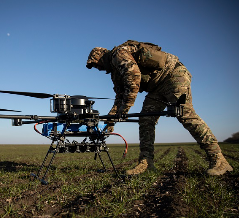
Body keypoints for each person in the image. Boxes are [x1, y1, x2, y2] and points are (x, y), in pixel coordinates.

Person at [86, 40, 233, 176]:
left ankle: (219, 160)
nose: (97, 68)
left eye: (95, 64)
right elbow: (119, 98)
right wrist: (111, 122)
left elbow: (134, 80)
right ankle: (146, 163)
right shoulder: (115, 72)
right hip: (156, 87)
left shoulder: (118, 55)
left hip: (173, 76)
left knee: (185, 114)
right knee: (146, 120)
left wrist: (124, 111)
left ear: (100, 57)